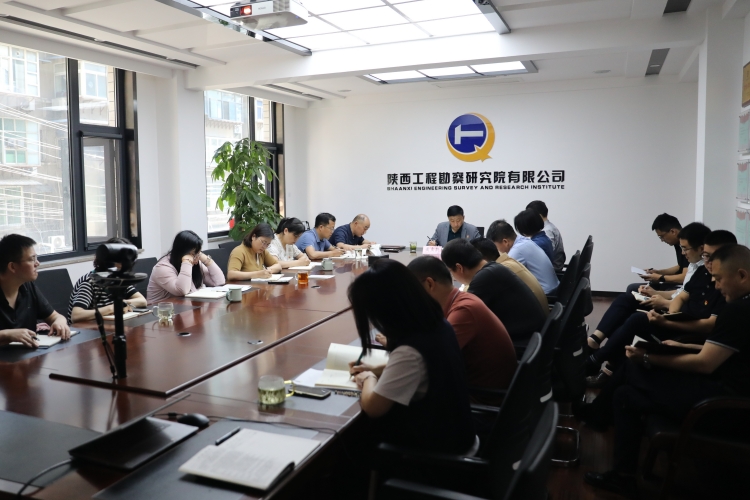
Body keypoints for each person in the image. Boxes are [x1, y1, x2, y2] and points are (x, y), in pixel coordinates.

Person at [584, 244, 750, 499]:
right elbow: (726, 353)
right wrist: (681, 346)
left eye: (718, 279)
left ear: (742, 275)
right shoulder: (742, 306)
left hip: (724, 408)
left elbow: (705, 364)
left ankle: (596, 414)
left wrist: (648, 357)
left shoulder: (739, 311)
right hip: (725, 395)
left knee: (633, 367)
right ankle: (620, 469)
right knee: (625, 394)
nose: (716, 286)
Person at [346, 259, 476, 454]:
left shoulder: (410, 351)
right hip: (458, 433)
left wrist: (368, 378)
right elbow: (423, 369)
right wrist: (376, 369)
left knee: (353, 442)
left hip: (438, 454)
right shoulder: (438, 325)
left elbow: (373, 408)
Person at [585, 223, 725, 387]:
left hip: (688, 331)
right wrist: (670, 314)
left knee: (636, 320)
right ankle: (598, 355)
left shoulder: (723, 287)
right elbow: (681, 297)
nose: (707, 261)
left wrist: (666, 319)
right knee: (628, 304)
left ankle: (597, 361)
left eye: (709, 256)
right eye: (706, 257)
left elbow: (708, 326)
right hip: (677, 318)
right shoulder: (702, 272)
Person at [406, 256, 517, 405]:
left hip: (482, 400)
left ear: (429, 284)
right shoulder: (460, 300)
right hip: (477, 390)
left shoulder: (464, 311)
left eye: (412, 290)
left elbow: (429, 362)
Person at [441, 239, 546, 344]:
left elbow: (460, 316)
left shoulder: (484, 279)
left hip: (523, 343)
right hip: (533, 339)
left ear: (459, 268)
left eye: (451, 272)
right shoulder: (494, 268)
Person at [0, 234, 71, 348]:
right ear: (12, 267)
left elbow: (55, 316)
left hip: (28, 355)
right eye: (32, 259)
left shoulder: (28, 287)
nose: (37, 263)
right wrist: (7, 334)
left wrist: (60, 322)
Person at [67, 237, 147, 323]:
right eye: (120, 261)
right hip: (87, 329)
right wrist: (111, 308)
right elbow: (76, 316)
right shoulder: (89, 282)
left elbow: (142, 301)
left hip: (108, 325)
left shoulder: (118, 278)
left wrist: (123, 303)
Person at [471, 237, 549, 312]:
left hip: (536, 316)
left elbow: (470, 297)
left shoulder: (498, 270)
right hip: (543, 314)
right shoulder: (508, 261)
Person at [147, 230, 226, 302]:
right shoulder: (162, 267)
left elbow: (219, 282)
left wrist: (206, 259)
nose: (197, 258)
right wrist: (187, 262)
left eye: (198, 253)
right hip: (162, 310)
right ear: (182, 252)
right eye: (193, 254)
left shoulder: (194, 261)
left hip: (186, 306)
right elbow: (182, 290)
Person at [486, 219, 559, 295]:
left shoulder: (517, 250)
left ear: (505, 242)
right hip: (553, 289)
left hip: (547, 294)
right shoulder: (523, 241)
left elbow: (500, 275)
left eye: (496, 247)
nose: (497, 251)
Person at [635, 213, 688, 290]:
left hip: (685, 286)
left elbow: (685, 277)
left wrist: (660, 277)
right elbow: (681, 266)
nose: (662, 240)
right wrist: (657, 272)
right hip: (680, 283)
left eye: (662, 236)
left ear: (673, 231)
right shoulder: (677, 243)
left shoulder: (688, 244)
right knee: (633, 288)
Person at [527, 200, 566, 271]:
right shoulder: (550, 227)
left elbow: (545, 256)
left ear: (538, 215)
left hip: (551, 270)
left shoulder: (547, 231)